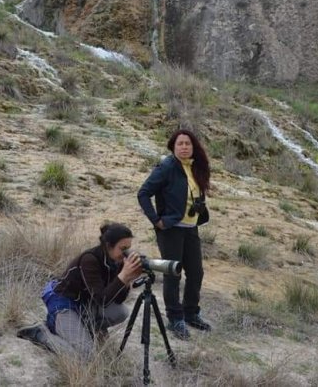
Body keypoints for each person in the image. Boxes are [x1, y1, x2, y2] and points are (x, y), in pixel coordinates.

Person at [18, 223, 143, 357]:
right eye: (123, 249)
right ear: (108, 246)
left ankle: (88, 328)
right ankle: (41, 333)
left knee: (121, 311)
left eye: (128, 249)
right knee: (86, 354)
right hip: (63, 303)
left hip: (84, 304)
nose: (126, 254)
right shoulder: (89, 260)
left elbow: (117, 300)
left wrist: (127, 279)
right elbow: (102, 299)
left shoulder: (115, 261)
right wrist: (123, 276)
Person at [137, 129, 212, 340]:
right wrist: (156, 220)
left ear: (193, 146)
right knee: (173, 273)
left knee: (196, 272)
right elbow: (143, 193)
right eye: (180, 144)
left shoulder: (195, 166)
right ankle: (174, 319)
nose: (184, 147)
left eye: (188, 143)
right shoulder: (167, 167)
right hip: (171, 229)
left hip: (191, 228)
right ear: (173, 146)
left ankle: (191, 313)